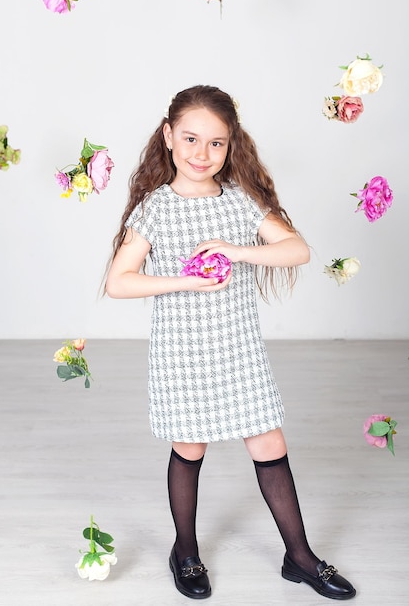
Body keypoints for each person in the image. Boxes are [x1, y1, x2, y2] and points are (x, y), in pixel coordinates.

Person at [105, 85, 356, 601]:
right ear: (168, 136)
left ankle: (300, 557)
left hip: (238, 350)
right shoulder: (156, 209)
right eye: (192, 139)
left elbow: (297, 250)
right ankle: (186, 552)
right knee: (189, 447)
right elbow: (118, 281)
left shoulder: (239, 201)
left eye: (216, 143)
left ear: (231, 146)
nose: (202, 154)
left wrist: (237, 250)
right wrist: (184, 281)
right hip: (183, 353)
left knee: (270, 444)